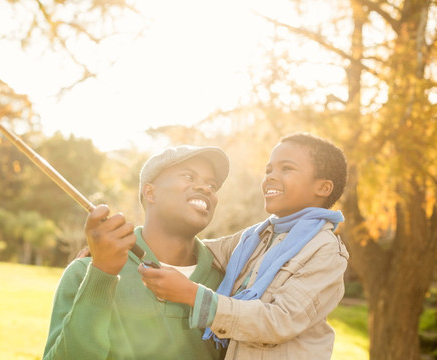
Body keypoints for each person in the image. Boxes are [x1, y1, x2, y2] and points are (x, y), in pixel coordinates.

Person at [139, 133, 349, 360]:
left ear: (323, 188)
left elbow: (280, 321)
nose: (271, 177)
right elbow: (198, 249)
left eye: (286, 169)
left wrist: (193, 295)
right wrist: (124, 243)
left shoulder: (325, 250)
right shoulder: (256, 237)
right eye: (269, 170)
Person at [42, 145, 230, 360]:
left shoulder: (229, 286)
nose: (206, 189)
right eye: (188, 176)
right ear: (150, 192)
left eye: (212, 185)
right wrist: (102, 274)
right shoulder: (84, 272)